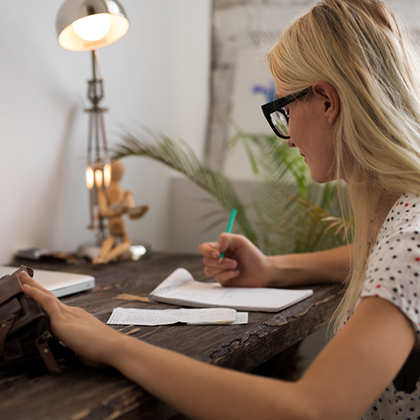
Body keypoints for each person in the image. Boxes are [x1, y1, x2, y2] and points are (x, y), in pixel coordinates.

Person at [19, 0, 420, 418]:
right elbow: (376, 256)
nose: (285, 137)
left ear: (326, 101)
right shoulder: (403, 223)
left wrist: (112, 344)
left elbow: (310, 410)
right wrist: (272, 269)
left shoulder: (410, 240)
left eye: (283, 110)